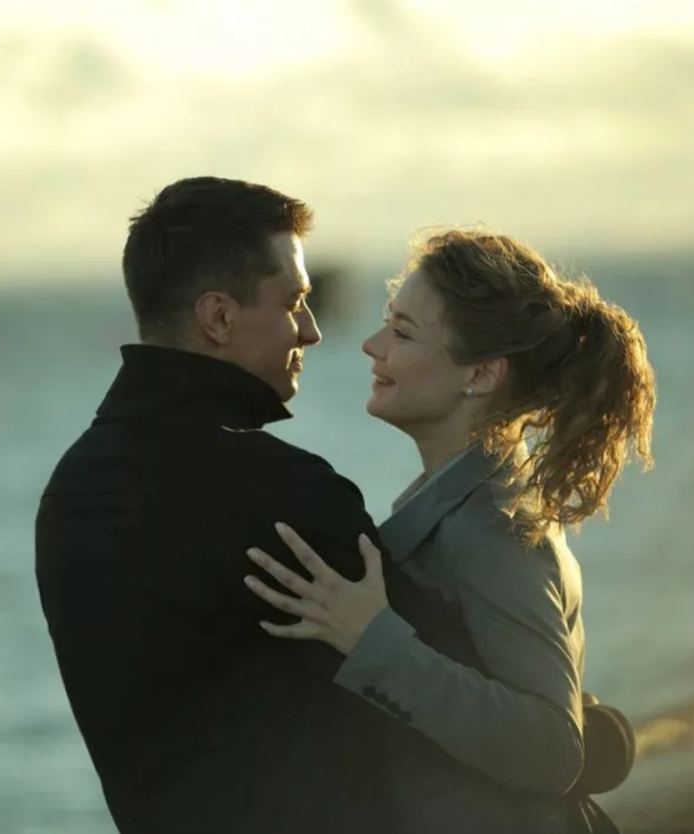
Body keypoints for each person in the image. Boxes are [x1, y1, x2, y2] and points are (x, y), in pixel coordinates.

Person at [36, 177, 480, 834]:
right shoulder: (280, 493)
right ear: (218, 317)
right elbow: (468, 692)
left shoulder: (70, 491)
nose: (313, 331)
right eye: (294, 303)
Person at [242, 229, 655, 833]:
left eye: (403, 332)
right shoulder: (464, 498)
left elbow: (554, 748)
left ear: (481, 374)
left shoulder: (494, 526)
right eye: (387, 322)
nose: (372, 345)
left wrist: (371, 639)